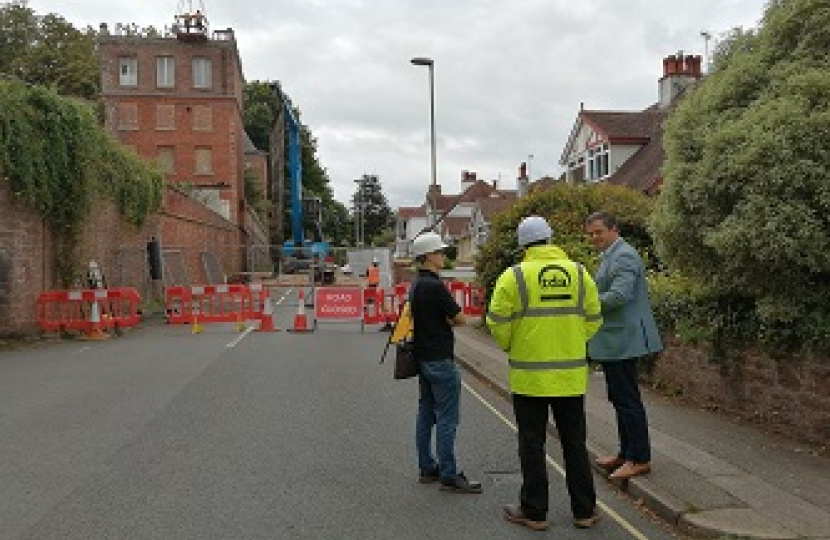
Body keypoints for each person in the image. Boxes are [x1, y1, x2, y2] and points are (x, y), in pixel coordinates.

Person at [487, 216, 602, 531]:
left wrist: (514, 345)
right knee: (575, 443)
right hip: (570, 377)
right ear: (550, 238)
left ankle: (535, 512)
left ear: (523, 245)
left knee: (532, 444)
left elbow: (497, 321)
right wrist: (572, 342)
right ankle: (584, 511)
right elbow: (594, 318)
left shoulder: (514, 277)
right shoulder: (580, 274)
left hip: (529, 378)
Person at [584, 211, 663, 481]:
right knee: (619, 398)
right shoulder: (612, 254)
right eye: (591, 233)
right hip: (616, 340)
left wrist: (586, 305)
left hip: (625, 339)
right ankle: (626, 453)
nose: (595, 237)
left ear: (613, 229)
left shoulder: (624, 255)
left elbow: (620, 295)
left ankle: (639, 459)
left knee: (628, 400)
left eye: (599, 232)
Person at [410, 232, 482, 494]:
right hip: (440, 358)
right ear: (429, 255)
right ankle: (449, 475)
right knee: (447, 418)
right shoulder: (435, 286)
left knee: (426, 414)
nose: (443, 256)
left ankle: (427, 467)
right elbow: (460, 318)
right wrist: (450, 319)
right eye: (440, 252)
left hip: (423, 358)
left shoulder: (417, 284)